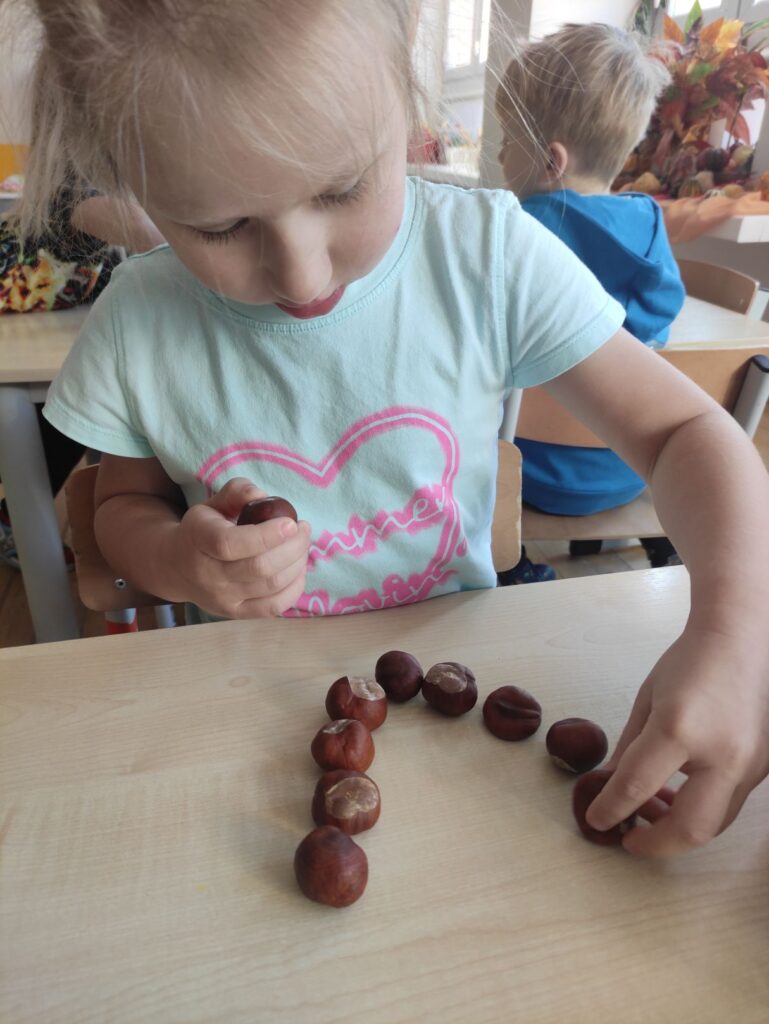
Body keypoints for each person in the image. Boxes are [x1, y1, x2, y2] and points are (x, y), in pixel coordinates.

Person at [18, 0, 769, 859]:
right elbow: (119, 510)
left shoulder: (488, 255)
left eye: (341, 187)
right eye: (220, 225)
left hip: (459, 715)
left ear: (404, 74)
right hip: (240, 715)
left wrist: (736, 631)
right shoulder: (137, 322)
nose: (302, 274)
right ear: (128, 175)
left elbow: (682, 431)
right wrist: (174, 559)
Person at [495, 22, 686, 585]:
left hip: (528, 475)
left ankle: (508, 563)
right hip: (634, 466)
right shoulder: (650, 226)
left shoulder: (515, 231)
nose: (500, 153)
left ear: (550, 161)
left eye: (507, 139)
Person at [0, 186, 163, 567]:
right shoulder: (76, 195)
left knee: (79, 402)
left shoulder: (95, 255)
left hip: (43, 343)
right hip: (17, 358)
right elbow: (149, 234)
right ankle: (20, 521)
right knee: (66, 407)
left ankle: (15, 518)